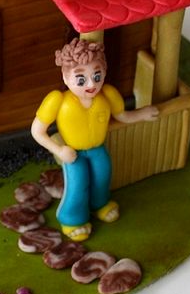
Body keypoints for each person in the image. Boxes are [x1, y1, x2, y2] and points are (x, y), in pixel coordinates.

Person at [31, 38, 158, 241]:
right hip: (73, 153)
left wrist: (142, 114)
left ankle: (100, 204)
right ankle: (72, 219)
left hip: (98, 149)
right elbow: (37, 131)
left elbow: (123, 116)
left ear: (104, 73)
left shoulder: (107, 94)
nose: (91, 84)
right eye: (81, 79)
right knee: (77, 184)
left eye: (97, 76)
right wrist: (59, 150)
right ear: (65, 77)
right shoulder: (57, 100)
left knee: (102, 176)